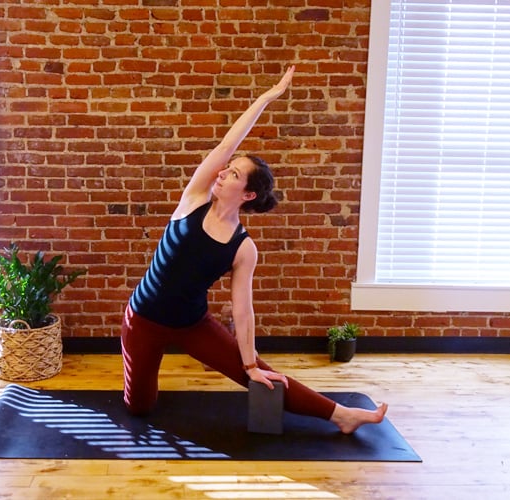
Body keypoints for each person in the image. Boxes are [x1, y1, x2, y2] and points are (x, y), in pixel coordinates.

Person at [120, 66, 388, 434]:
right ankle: (143, 384)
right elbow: (226, 145)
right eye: (226, 169)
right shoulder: (194, 198)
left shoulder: (243, 248)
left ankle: (341, 415)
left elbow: (243, 311)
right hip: (143, 319)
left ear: (247, 194)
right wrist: (267, 97)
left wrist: (248, 365)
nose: (222, 172)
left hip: (192, 324)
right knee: (138, 408)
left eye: (232, 174)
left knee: (261, 374)